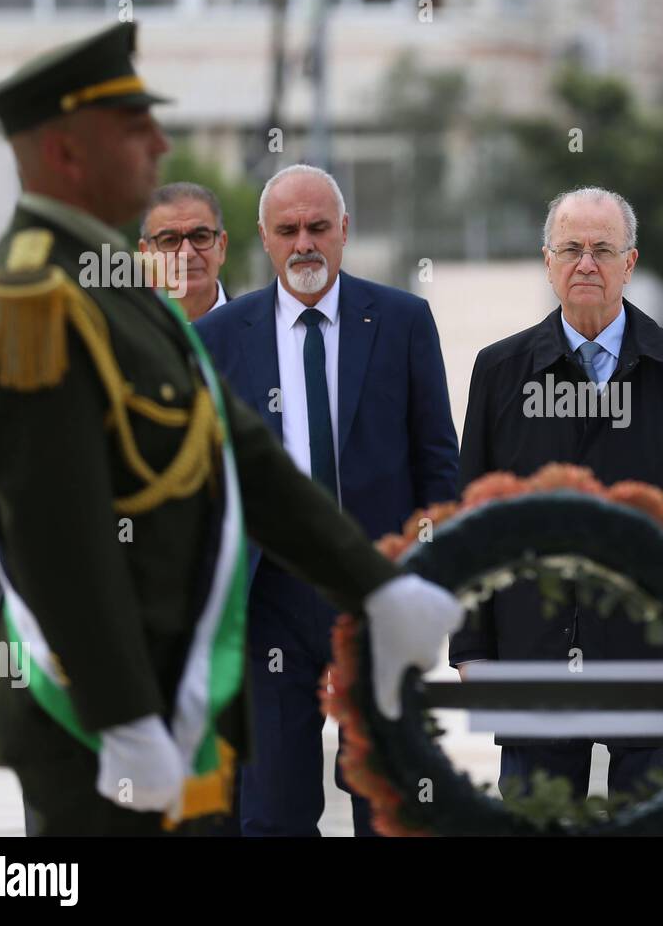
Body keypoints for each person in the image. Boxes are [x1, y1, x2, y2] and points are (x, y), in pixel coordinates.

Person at [0, 20, 460, 836]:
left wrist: (386, 585)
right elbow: (48, 534)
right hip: (96, 699)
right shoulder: (41, 303)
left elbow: (255, 468)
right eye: (134, 131)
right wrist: (129, 709)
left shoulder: (134, 309)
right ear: (68, 154)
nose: (159, 144)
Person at [450, 186, 663, 801]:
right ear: (547, 261)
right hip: (532, 650)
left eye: (603, 250)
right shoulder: (499, 371)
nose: (586, 263)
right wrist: (472, 646)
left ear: (629, 264)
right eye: (572, 249)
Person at [196, 163, 459, 836]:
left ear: (345, 230)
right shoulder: (221, 339)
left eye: (318, 227)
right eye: (288, 230)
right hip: (267, 603)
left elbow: (437, 464)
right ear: (263, 237)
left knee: (385, 801)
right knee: (272, 810)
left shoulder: (402, 321)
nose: (304, 243)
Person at [138, 182, 231, 321]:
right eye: (170, 240)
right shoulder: (119, 336)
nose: (187, 253)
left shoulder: (266, 331)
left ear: (222, 247)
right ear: (145, 254)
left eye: (200, 237)